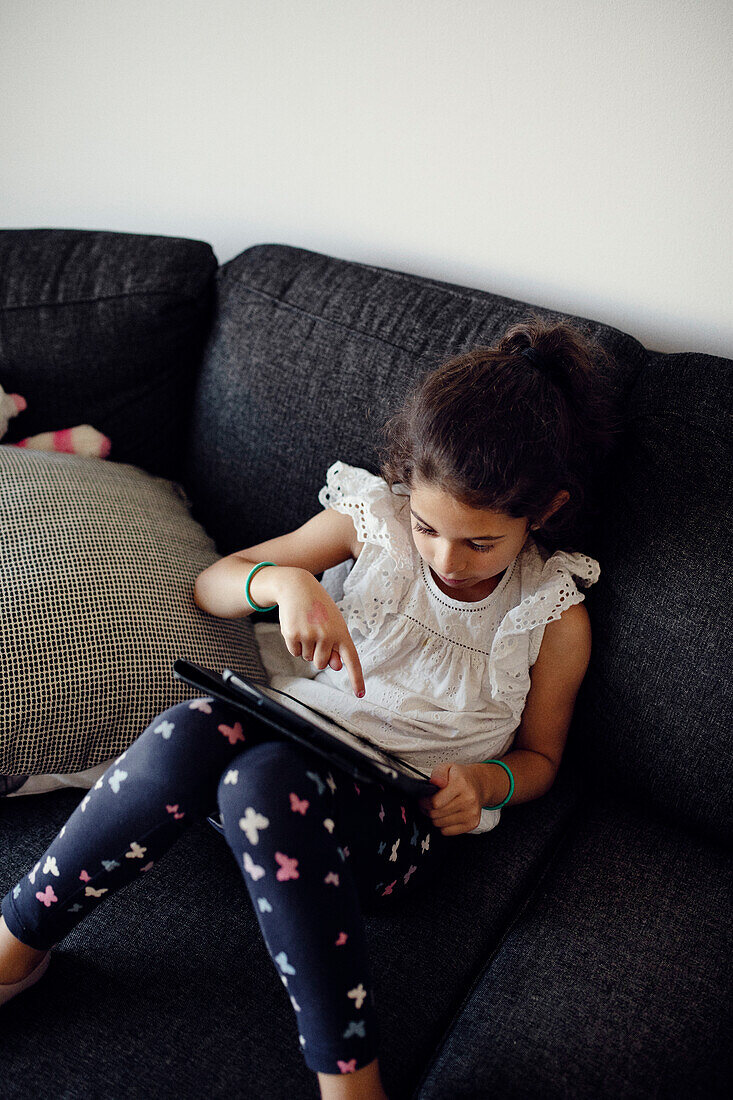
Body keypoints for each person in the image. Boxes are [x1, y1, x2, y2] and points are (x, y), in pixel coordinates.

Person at [0, 315, 622, 1100]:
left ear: (546, 510)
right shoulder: (371, 527)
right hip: (284, 746)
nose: (444, 559)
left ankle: (350, 1083)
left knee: (261, 781)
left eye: (479, 544)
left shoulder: (551, 616)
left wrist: (484, 784)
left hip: (391, 825)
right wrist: (282, 583)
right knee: (195, 729)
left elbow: (541, 761)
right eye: (428, 527)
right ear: (405, 483)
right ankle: (16, 945)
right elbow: (214, 583)